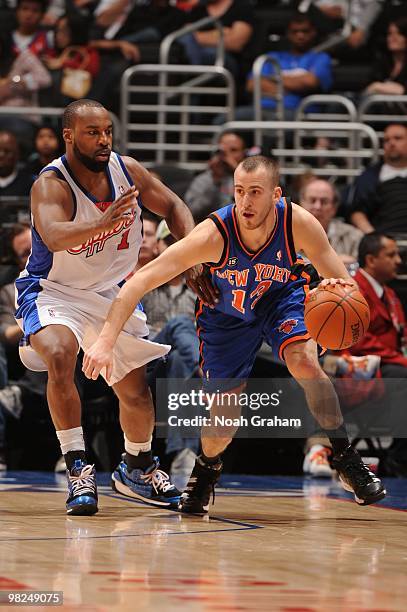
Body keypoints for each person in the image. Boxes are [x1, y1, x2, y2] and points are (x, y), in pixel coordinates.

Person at [83, 155, 386, 515]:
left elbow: (345, 285)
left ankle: (346, 458)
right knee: (224, 416)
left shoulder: (297, 223)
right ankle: (205, 470)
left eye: (255, 192)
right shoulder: (214, 234)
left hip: (280, 299)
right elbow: (139, 284)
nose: (244, 202)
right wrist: (104, 342)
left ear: (276, 195)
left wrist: (336, 315)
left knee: (305, 363)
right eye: (239, 191)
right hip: (226, 318)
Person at [14, 98, 203, 516]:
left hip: (110, 296)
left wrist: (191, 256)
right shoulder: (51, 183)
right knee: (61, 355)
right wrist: (101, 222)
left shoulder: (126, 170)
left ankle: (137, 467)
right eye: (92, 133)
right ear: (69, 136)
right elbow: (54, 233)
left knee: (135, 393)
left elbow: (174, 206)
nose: (103, 141)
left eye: (107, 132)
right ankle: (78, 465)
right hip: (53, 291)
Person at [348, 123, 407, 234]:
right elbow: (357, 212)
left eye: (398, 138)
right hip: (385, 241)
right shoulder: (369, 177)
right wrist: (374, 237)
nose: (391, 143)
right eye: (386, 140)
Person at [184, 131, 247, 223]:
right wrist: (215, 181)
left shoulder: (250, 179)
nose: (227, 156)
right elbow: (192, 212)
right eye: (223, 151)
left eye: (233, 150)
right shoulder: (204, 180)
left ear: (243, 153)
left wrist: (237, 172)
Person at [300, 178, 363, 265]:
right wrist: (337, 261)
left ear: (334, 208)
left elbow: (363, 271)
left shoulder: (354, 236)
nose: (317, 207)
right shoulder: (284, 234)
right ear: (301, 204)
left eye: (324, 202)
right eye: (312, 200)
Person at [365, 17, 407, 96]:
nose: (393, 38)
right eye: (390, 34)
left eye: (399, 34)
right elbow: (370, 87)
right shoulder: (382, 61)